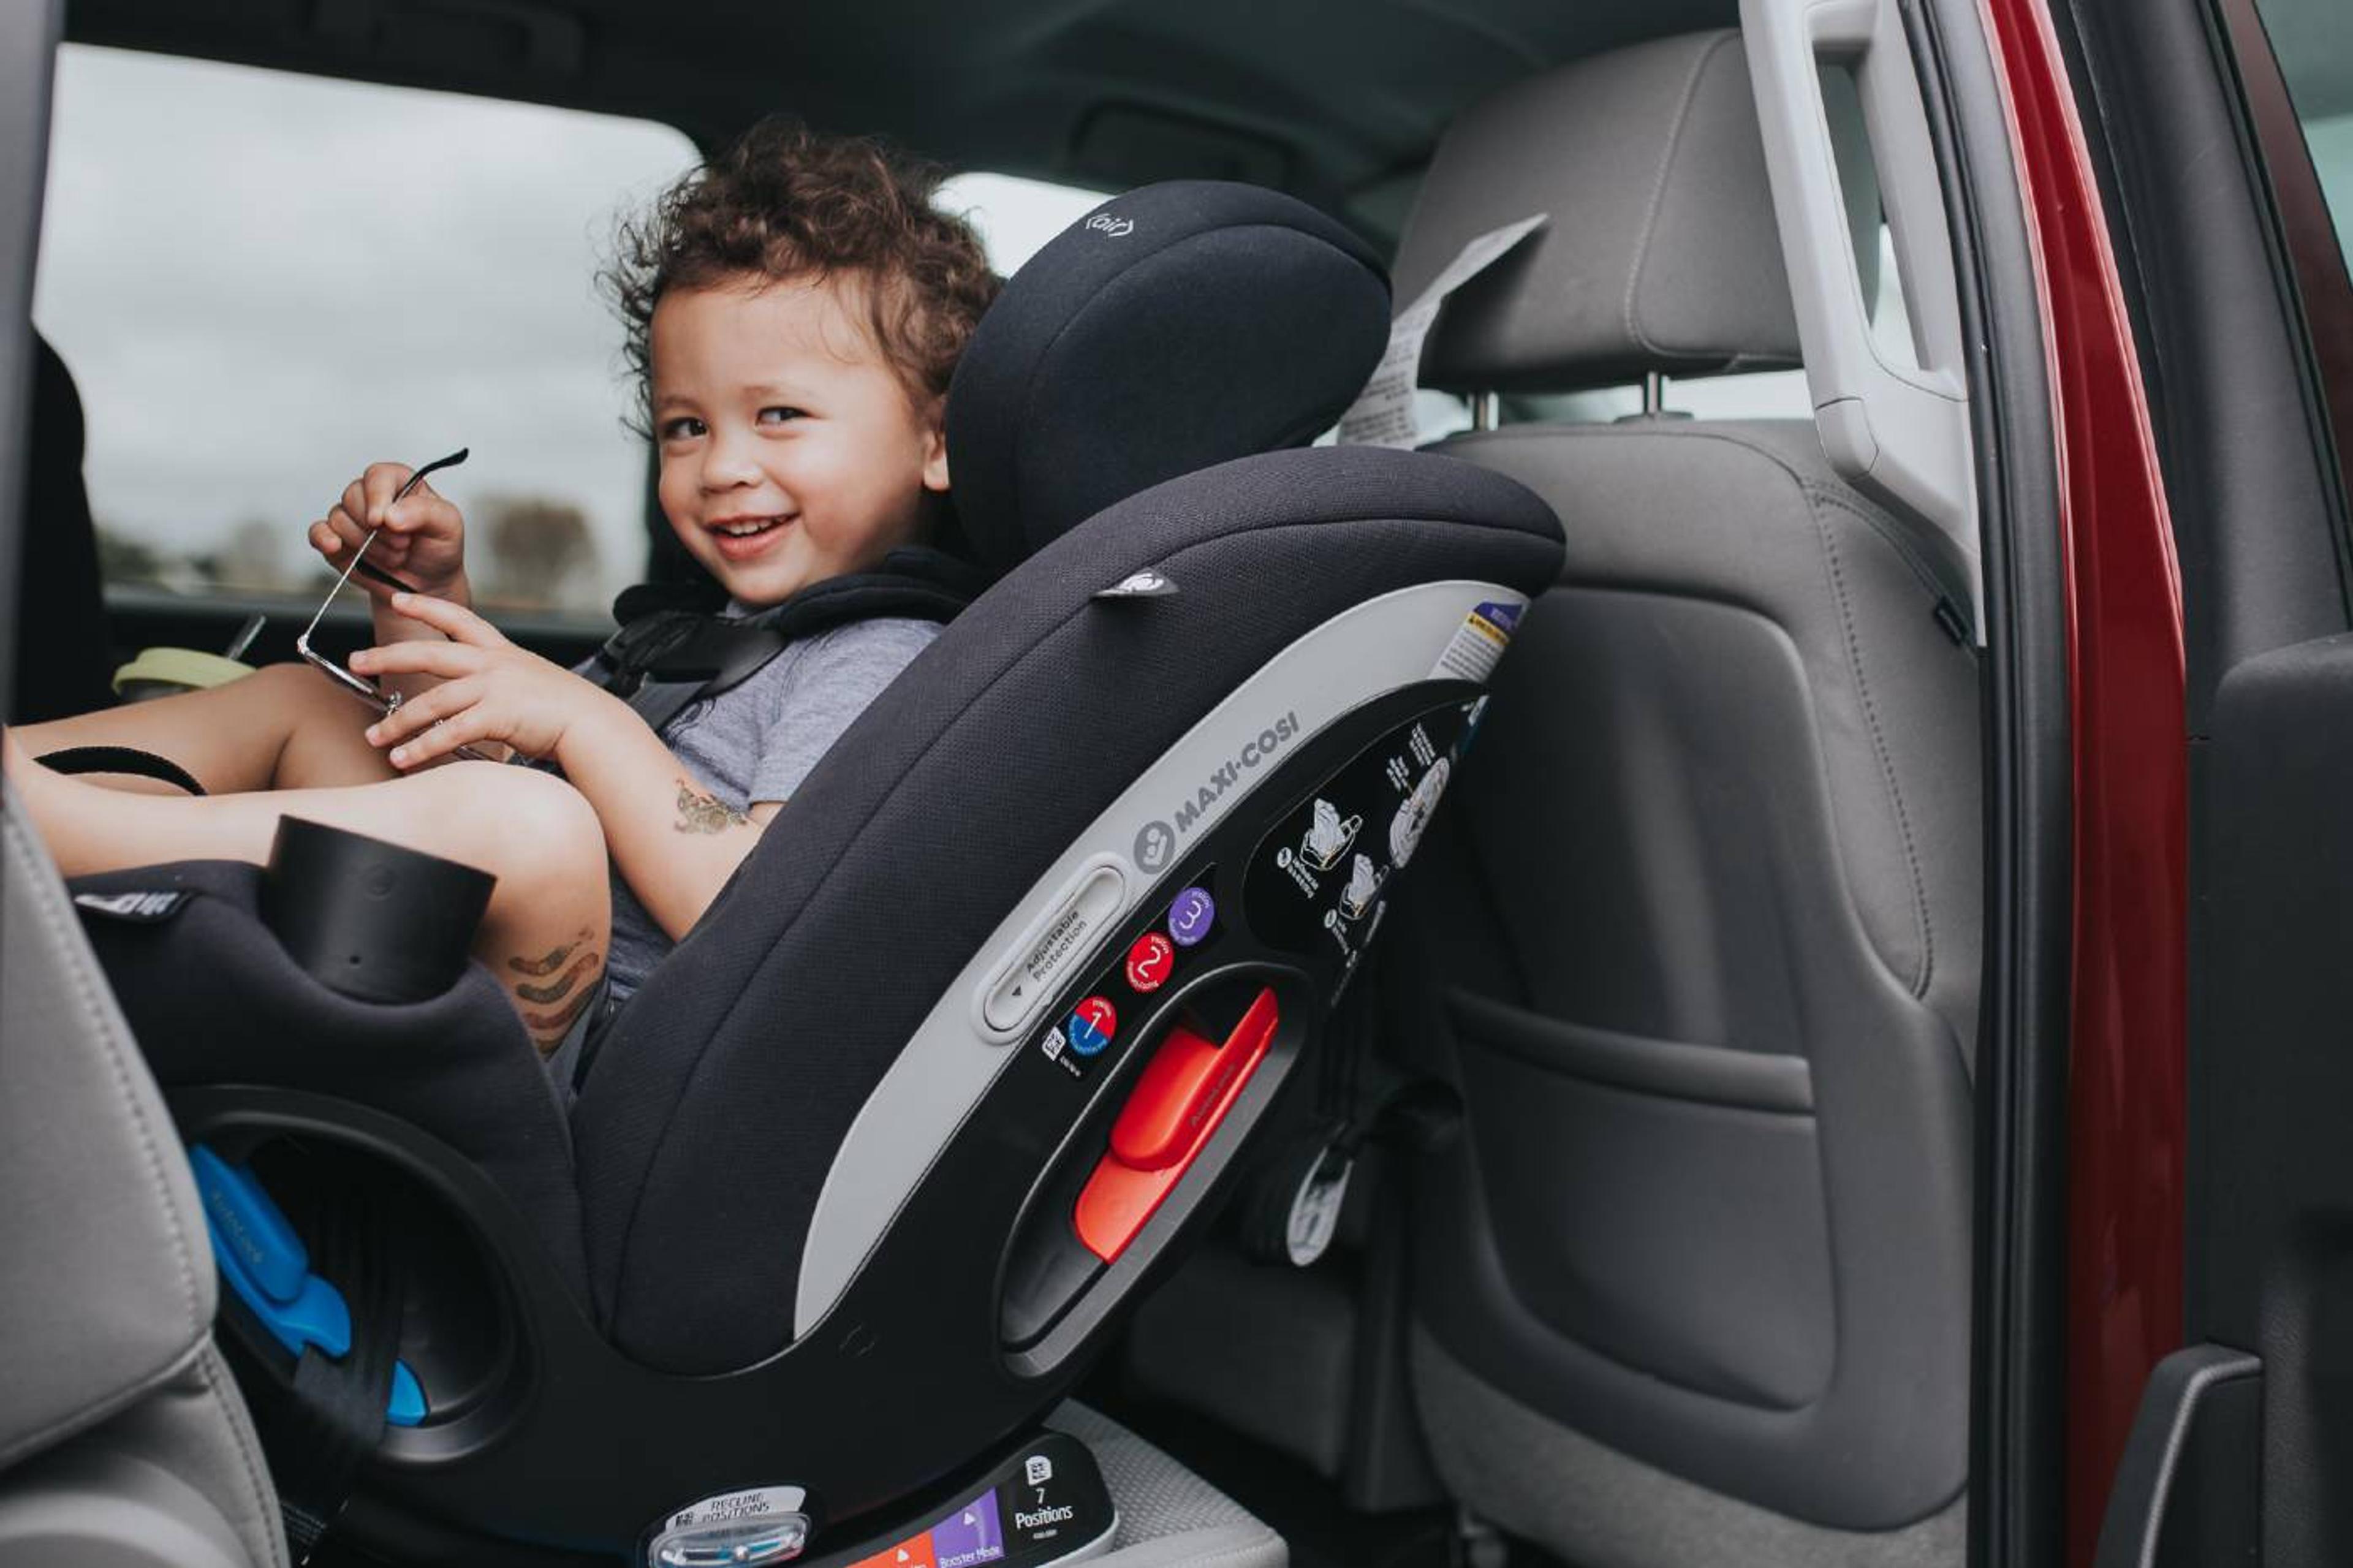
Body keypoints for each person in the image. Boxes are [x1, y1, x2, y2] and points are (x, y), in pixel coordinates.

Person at [2, 119, 1000, 1057]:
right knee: (326, 702)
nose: (722, 466)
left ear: (938, 439)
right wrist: (422, 599)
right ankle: (33, 780)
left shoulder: (883, 657)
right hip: (500, 953)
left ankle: (43, 837)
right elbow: (473, 756)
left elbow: (764, 920)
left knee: (530, 827)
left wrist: (582, 723)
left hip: (605, 1062)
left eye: (780, 414)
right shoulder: (697, 637)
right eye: (686, 427)